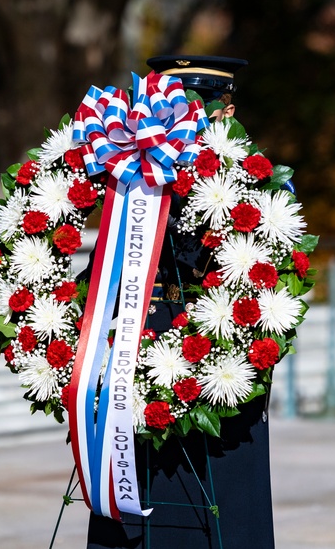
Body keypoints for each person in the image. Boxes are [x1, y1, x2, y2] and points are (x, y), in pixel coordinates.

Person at [85, 55, 276, 549]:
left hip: (218, 359)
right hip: (138, 344)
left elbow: (264, 276)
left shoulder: (248, 184)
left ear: (227, 112)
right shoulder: (132, 176)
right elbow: (103, 269)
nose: (194, 117)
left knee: (224, 513)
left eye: (207, 107)